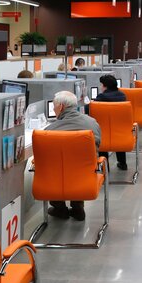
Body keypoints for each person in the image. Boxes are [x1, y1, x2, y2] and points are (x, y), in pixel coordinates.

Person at [45, 91, 101, 221]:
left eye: (54, 106)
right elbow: (98, 146)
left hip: (58, 176)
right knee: (79, 167)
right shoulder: (92, 123)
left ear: (61, 107)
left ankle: (59, 208)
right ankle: (77, 207)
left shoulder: (49, 131)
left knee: (53, 166)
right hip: (86, 175)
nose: (53, 109)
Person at [89, 75, 129, 170]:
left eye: (101, 85)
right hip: (120, 132)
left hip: (104, 134)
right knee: (118, 135)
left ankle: (105, 167)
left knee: (101, 132)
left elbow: (90, 110)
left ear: (105, 86)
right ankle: (122, 163)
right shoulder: (122, 96)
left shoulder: (101, 97)